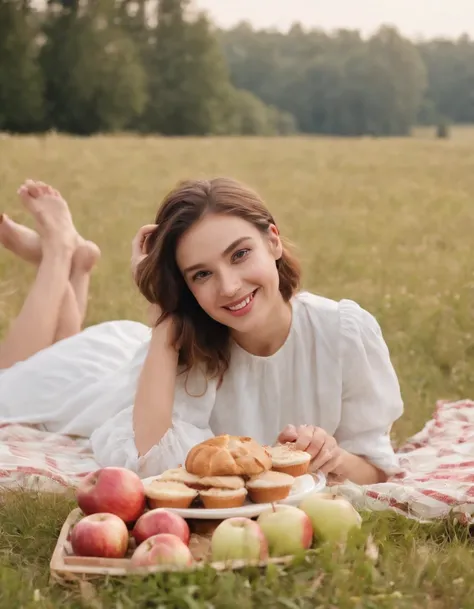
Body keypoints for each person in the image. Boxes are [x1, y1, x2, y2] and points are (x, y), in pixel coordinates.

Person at [0, 178, 404, 485]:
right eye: (202, 274)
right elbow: (152, 464)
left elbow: (377, 469)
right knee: (8, 382)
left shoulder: (344, 333)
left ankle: (74, 264)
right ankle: (58, 254)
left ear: (273, 241)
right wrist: (162, 312)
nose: (229, 286)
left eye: (240, 254)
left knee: (44, 358)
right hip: (110, 387)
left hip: (119, 360)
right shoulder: (189, 345)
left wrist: (333, 457)